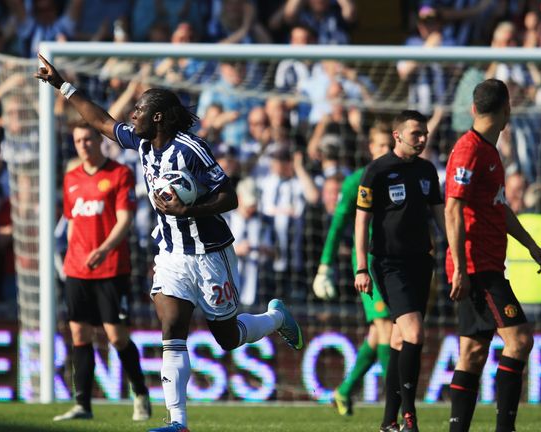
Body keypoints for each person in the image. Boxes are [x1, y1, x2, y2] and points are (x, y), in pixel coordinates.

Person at [35, 54, 304, 432]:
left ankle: (276, 318)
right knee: (171, 329)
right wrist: (62, 84)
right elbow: (100, 121)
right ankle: (177, 422)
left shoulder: (190, 149)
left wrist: (187, 211)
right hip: (172, 254)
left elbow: (229, 197)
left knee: (226, 338)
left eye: (140, 109)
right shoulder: (142, 145)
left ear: (158, 116)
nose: (133, 113)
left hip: (210, 254)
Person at [445, 79, 541, 432]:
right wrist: (460, 267)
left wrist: (530, 245)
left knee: (473, 354)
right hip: (476, 267)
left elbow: (498, 207)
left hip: (487, 263)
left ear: (474, 108)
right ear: (507, 110)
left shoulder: (489, 152)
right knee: (519, 341)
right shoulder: (469, 150)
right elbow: (452, 209)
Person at [52, 123, 152, 422]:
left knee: (116, 336)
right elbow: (71, 223)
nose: (83, 145)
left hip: (110, 267)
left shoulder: (120, 174)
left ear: (99, 140)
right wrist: (72, 257)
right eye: (78, 140)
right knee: (79, 333)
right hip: (77, 269)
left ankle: (140, 392)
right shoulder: (71, 179)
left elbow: (125, 219)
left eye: (87, 139)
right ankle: (82, 404)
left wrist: (105, 249)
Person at [354, 110, 445, 432]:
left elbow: (439, 213)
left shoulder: (426, 170)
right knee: (415, 333)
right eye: (416, 134)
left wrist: (451, 251)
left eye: (424, 134)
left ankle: (387, 421)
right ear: (398, 136)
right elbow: (361, 220)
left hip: (421, 262)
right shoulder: (377, 171)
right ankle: (410, 416)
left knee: (398, 339)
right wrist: (361, 266)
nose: (422, 139)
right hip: (389, 264)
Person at [313, 124, 394, 416]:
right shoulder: (356, 183)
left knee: (378, 331)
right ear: (370, 148)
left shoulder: (401, 179)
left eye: (389, 145)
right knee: (388, 327)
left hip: (397, 263)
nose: (385, 151)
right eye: (380, 146)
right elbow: (337, 227)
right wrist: (324, 266)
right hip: (369, 265)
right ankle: (395, 403)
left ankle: (344, 392)